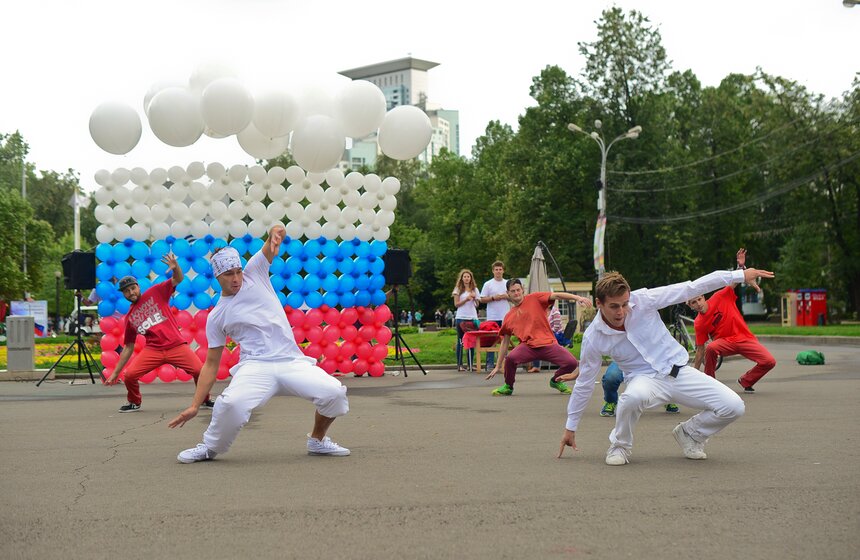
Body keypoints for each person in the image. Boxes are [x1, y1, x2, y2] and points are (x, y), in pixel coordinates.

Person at [557, 266, 774, 466]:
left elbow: (691, 287)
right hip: (643, 379)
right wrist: (570, 427)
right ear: (599, 303)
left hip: (679, 372)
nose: (621, 311)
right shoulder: (594, 336)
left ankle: (691, 433)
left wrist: (738, 275)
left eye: (625, 304)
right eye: (614, 306)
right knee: (631, 398)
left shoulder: (644, 300)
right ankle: (620, 446)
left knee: (734, 406)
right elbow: (585, 382)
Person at [168, 225, 350, 463]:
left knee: (334, 393)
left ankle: (317, 440)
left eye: (237, 271)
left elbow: (276, 234)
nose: (236, 278)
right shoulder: (217, 316)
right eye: (228, 274)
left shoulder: (255, 272)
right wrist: (195, 405)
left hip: (291, 361)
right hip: (255, 366)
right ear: (217, 276)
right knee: (231, 404)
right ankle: (209, 448)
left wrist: (276, 232)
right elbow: (211, 364)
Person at [104, 255, 213, 413]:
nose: (131, 292)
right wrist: (115, 373)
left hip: (176, 346)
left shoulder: (155, 292)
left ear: (138, 287)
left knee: (199, 371)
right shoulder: (130, 318)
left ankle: (204, 399)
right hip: (153, 350)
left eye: (133, 288)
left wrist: (176, 267)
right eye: (127, 291)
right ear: (124, 294)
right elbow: (128, 347)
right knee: (129, 375)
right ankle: (134, 402)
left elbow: (178, 279)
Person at [688, 248, 776, 393]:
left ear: (703, 297)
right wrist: (694, 374)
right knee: (711, 348)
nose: (698, 304)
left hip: (744, 338)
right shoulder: (699, 322)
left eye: (699, 299)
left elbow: (734, 282)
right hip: (725, 343)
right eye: (693, 302)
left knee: (769, 361)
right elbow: (700, 350)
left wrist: (740, 267)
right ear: (690, 306)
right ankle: (710, 383)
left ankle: (746, 380)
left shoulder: (720, 296)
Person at [486, 279, 592, 396]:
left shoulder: (535, 298)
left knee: (571, 363)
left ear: (522, 290)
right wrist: (497, 366)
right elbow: (505, 342)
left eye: (518, 290)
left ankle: (555, 381)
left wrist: (577, 298)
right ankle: (508, 386)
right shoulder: (509, 317)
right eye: (513, 291)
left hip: (548, 343)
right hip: (528, 347)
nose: (516, 293)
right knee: (510, 359)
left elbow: (556, 295)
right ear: (508, 293)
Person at [599, 362, 680, 416]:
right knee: (611, 377)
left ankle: (667, 399)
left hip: (654, 359)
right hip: (626, 359)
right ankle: (611, 401)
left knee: (669, 372)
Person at [478, 260, 511, 372]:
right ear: (493, 271)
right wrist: (493, 298)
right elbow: (482, 299)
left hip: (505, 315)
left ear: (503, 271)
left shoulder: (507, 283)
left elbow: (514, 297)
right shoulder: (488, 284)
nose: (498, 271)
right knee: (491, 341)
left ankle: (505, 364)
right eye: (496, 269)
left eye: (500, 269)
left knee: (505, 340)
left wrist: (506, 296)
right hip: (492, 316)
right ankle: (490, 364)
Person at [452, 269, 481, 371]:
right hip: (461, 317)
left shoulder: (475, 289)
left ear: (471, 278)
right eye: (465, 276)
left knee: (471, 341)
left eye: (468, 276)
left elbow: (477, 304)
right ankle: (459, 364)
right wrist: (466, 299)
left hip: (472, 317)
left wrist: (475, 298)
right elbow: (456, 304)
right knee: (460, 341)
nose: (466, 278)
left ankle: (470, 364)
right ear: (462, 278)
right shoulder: (457, 289)